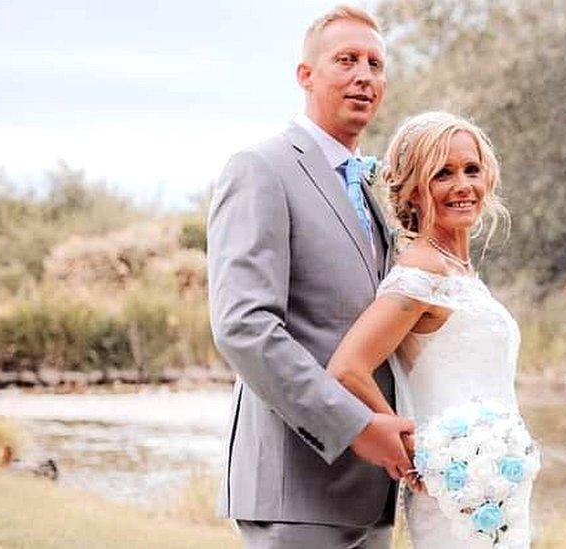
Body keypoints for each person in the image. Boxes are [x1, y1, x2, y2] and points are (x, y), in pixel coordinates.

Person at [207, 5, 412, 548]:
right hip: (296, 485)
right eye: (346, 60)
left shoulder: (369, 186)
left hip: (372, 490)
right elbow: (244, 327)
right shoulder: (261, 168)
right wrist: (355, 426)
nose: (364, 75)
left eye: (375, 63)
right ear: (306, 75)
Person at [326, 111, 535, 548]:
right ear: (415, 191)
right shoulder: (421, 272)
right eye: (443, 173)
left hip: (496, 487)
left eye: (471, 170)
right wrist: (414, 447)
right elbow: (347, 368)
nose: (463, 185)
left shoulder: (459, 271)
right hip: (455, 489)